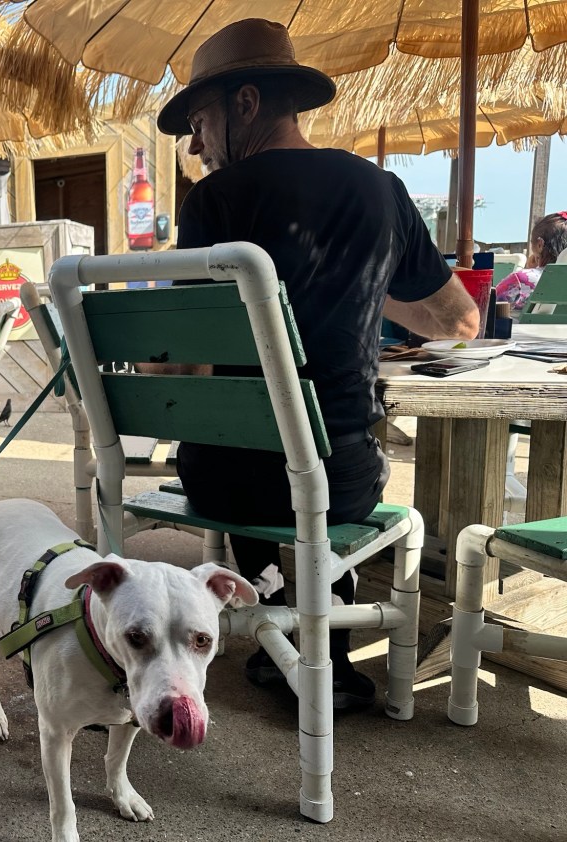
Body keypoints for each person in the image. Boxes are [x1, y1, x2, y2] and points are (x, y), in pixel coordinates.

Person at [155, 18, 480, 710]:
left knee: (243, 451)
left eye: (200, 123)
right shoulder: (381, 189)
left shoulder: (214, 200)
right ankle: (325, 650)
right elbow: (460, 323)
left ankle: (278, 624)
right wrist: (362, 285)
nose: (195, 145)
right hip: (340, 477)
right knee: (324, 478)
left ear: (246, 103)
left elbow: (190, 365)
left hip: (221, 482)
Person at [495, 211, 567, 309]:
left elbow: (486, 308)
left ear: (540, 244)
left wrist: (529, 270)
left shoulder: (522, 279)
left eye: (532, 242)